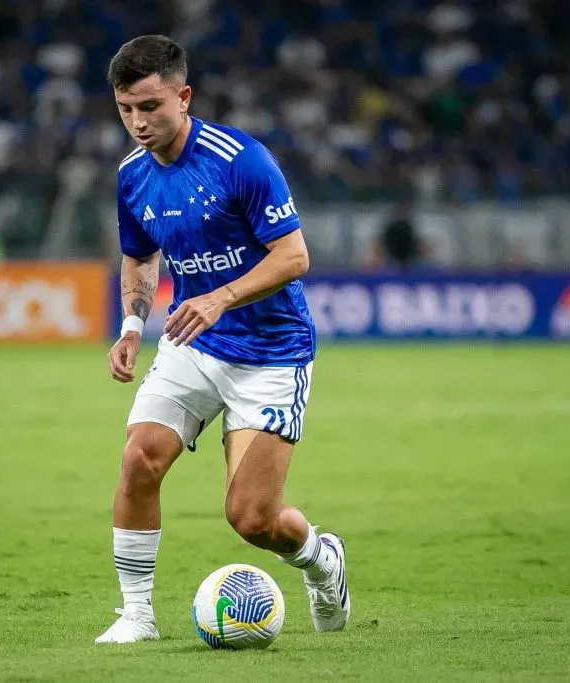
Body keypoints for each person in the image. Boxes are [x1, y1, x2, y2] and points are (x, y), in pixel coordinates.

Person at [96, 35, 349, 644]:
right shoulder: (132, 176)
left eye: (150, 106)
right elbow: (139, 256)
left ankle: (322, 560)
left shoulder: (241, 160)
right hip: (193, 343)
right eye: (126, 109)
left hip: (271, 352)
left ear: (183, 97)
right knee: (138, 459)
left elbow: (293, 257)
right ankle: (137, 615)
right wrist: (131, 326)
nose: (138, 122)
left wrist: (219, 297)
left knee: (252, 519)